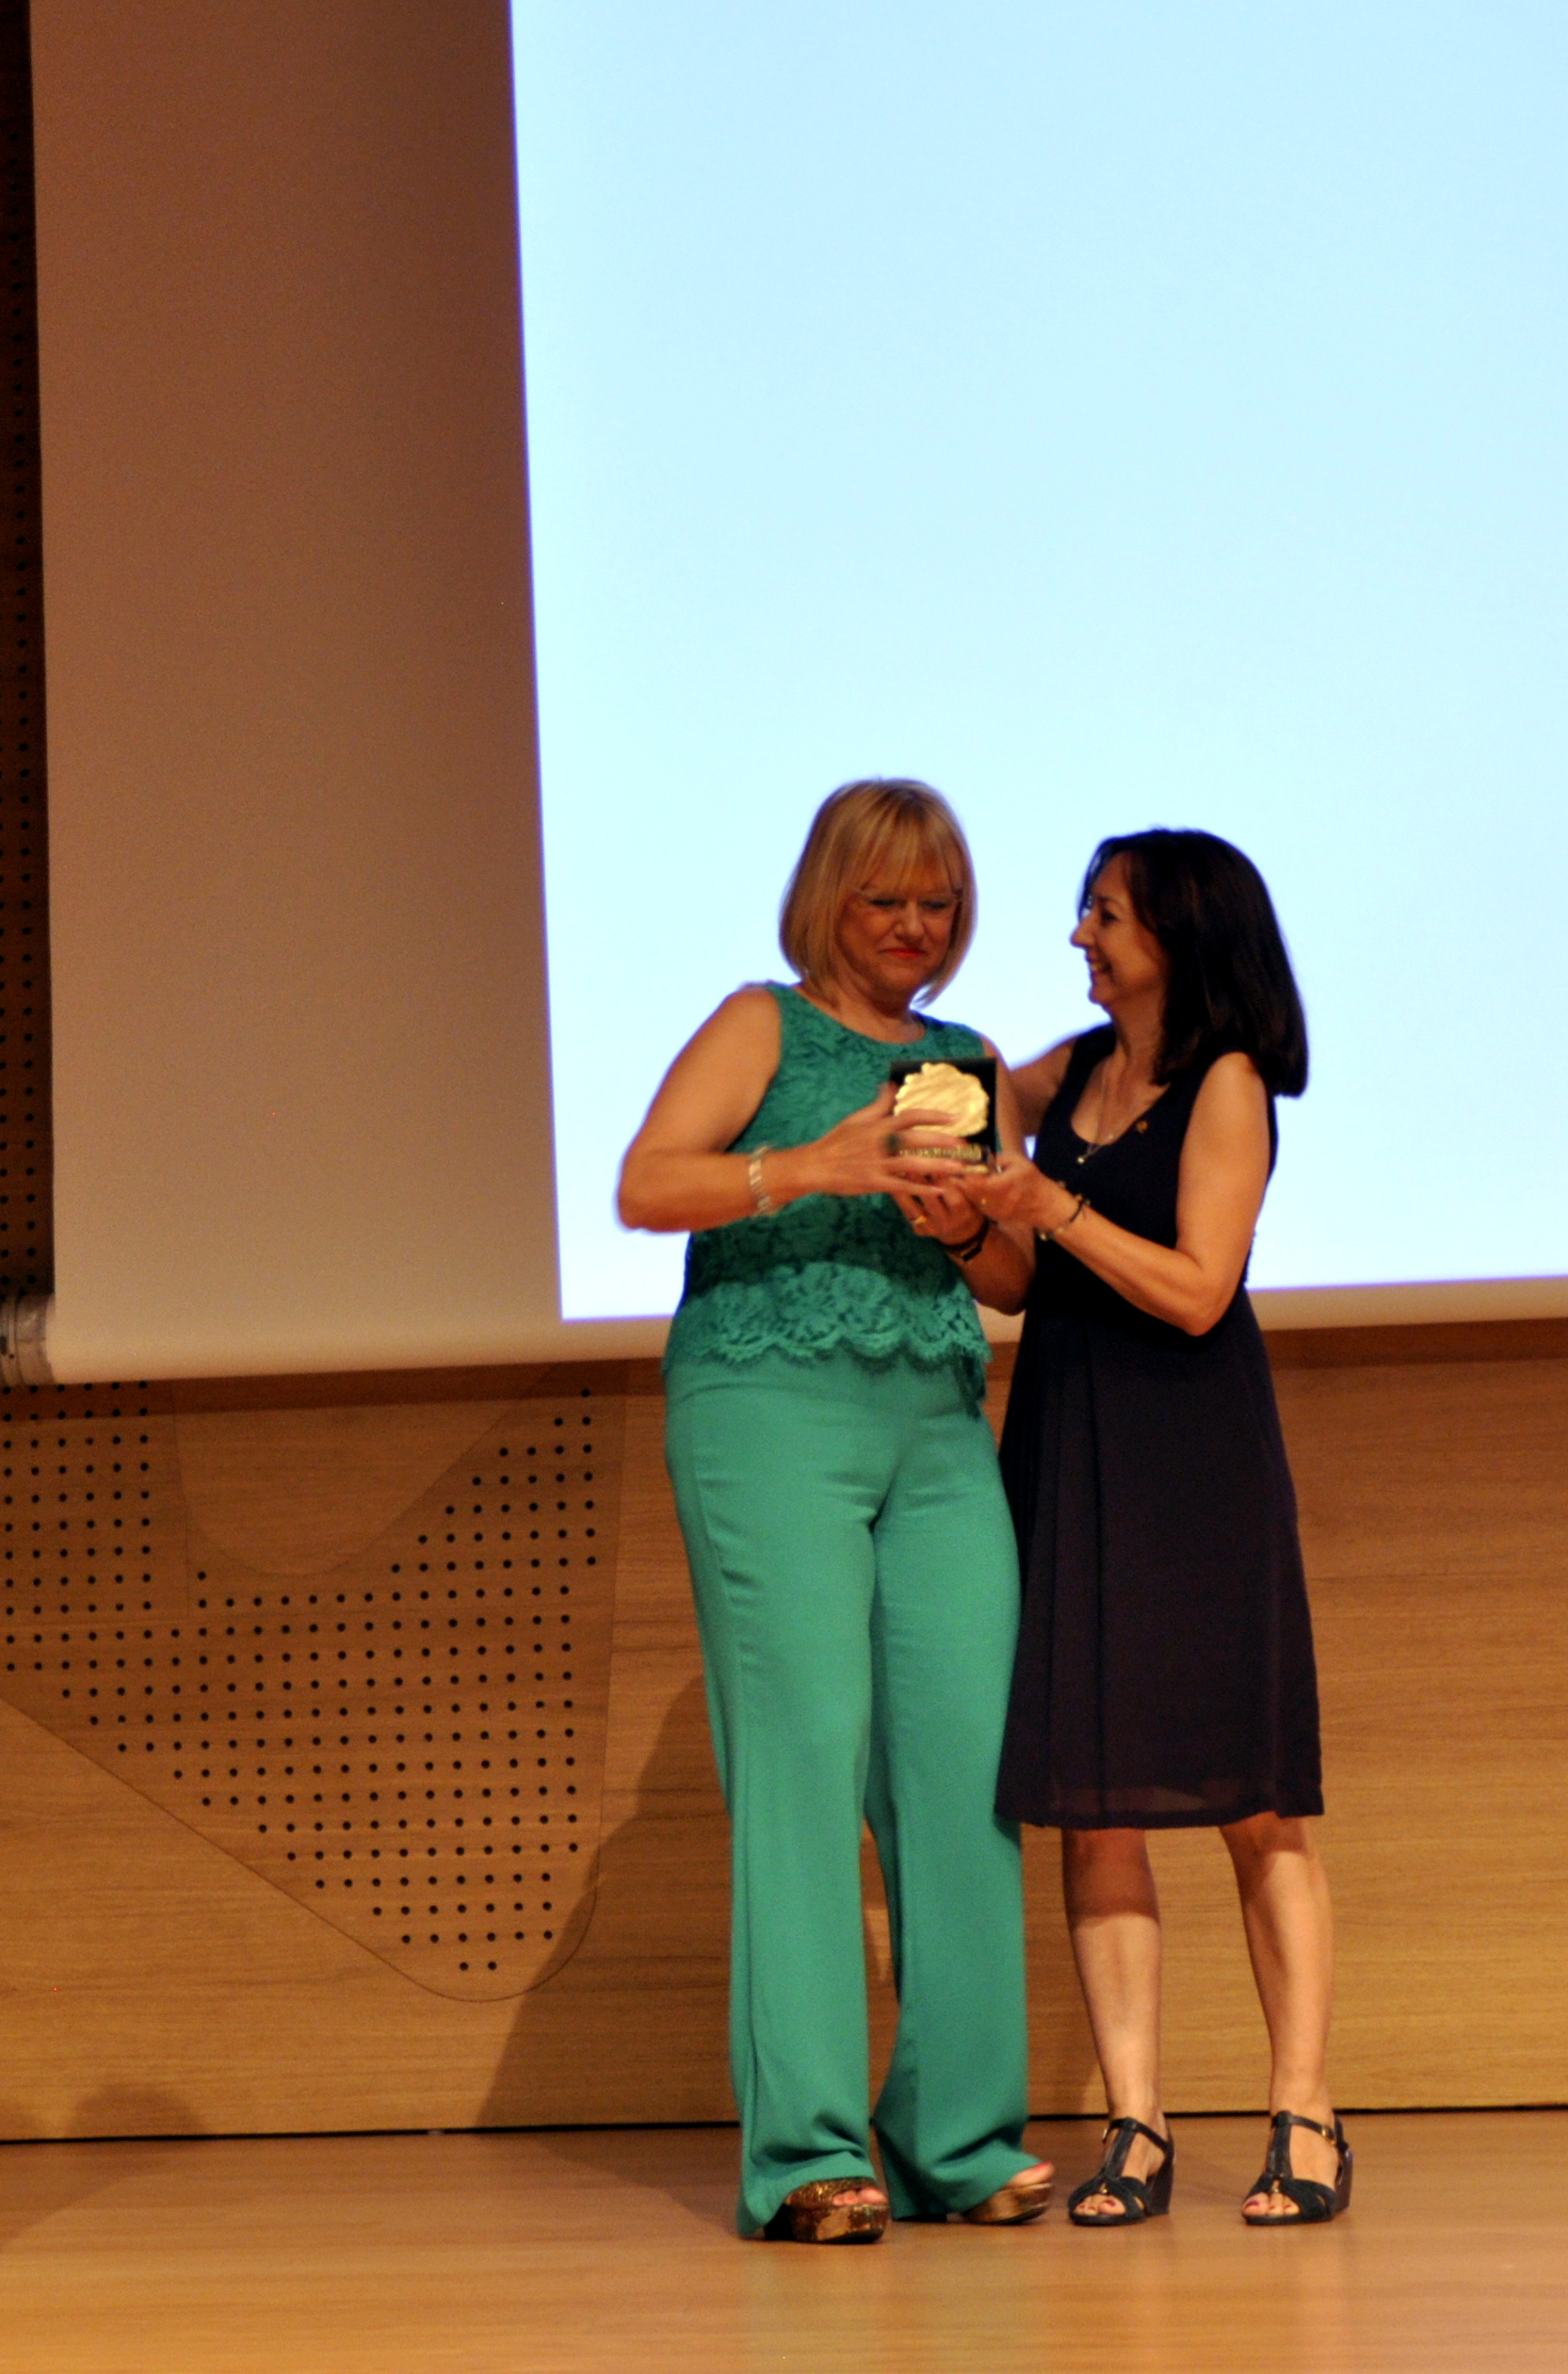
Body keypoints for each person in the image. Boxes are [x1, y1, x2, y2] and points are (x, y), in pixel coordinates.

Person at [613, 779, 1055, 2241]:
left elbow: (1009, 1287)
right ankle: (808, 2153)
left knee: (965, 1770)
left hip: (935, 1419)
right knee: (803, 1764)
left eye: (939, 903)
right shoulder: (763, 1025)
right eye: (887, 901)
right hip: (766, 1408)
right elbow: (644, 1186)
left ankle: (961, 2138)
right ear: (828, 899)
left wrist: (968, 1224)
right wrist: (817, 1165)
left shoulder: (966, 1059)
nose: (915, 927)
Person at [949, 829, 1345, 2229]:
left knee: (1254, 1800)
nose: (1079, 936)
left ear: (1176, 932)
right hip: (1067, 1436)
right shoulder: (1072, 1069)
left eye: (1104, 913)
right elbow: (998, 1181)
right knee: (1096, 1801)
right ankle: (1136, 2123)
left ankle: (1304, 2113)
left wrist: (1051, 1204)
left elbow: (1195, 1288)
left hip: (1193, 1458)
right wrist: (969, 1211)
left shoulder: (1225, 1082)